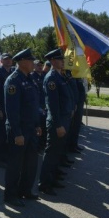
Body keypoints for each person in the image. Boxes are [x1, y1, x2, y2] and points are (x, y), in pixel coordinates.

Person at [3, 48, 42, 208]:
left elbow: (34, 105)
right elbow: (11, 110)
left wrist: (38, 124)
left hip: (31, 128)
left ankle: (25, 190)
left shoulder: (30, 79)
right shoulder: (13, 81)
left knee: (31, 162)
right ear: (23, 62)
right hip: (18, 130)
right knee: (15, 164)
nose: (33, 63)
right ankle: (10, 195)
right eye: (31, 61)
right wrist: (17, 133)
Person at [38, 49, 73, 196]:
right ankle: (44, 184)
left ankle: (53, 178)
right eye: (59, 59)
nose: (62, 61)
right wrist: (58, 124)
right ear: (53, 61)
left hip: (64, 118)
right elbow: (52, 105)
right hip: (56, 121)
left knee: (57, 151)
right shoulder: (51, 78)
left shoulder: (60, 76)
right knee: (51, 153)